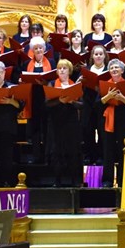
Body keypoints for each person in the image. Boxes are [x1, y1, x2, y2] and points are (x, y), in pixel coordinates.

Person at [45, 59, 83, 187]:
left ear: (69, 71)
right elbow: (46, 104)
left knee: (72, 151)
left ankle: (73, 180)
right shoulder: (51, 84)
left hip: (71, 122)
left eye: (64, 68)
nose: (61, 70)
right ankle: (57, 180)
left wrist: (71, 101)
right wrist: (60, 101)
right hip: (55, 122)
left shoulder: (75, 85)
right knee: (56, 151)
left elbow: (82, 105)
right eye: (59, 68)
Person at [97, 59, 125, 187]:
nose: (114, 69)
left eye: (117, 67)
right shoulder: (104, 84)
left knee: (123, 150)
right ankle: (107, 180)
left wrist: (121, 98)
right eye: (111, 68)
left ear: (122, 70)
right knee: (108, 150)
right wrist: (108, 97)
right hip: (108, 119)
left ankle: (124, 180)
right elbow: (98, 104)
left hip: (124, 120)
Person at [79, 44, 109, 165]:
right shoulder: (86, 70)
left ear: (104, 56)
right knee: (88, 129)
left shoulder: (108, 70)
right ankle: (89, 155)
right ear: (92, 56)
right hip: (88, 102)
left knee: (102, 130)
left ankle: (100, 156)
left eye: (100, 54)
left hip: (102, 103)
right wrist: (82, 81)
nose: (98, 56)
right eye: (96, 54)